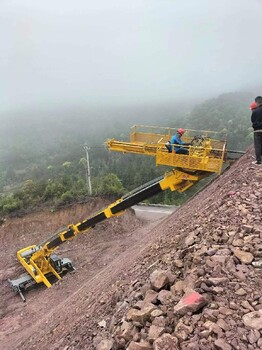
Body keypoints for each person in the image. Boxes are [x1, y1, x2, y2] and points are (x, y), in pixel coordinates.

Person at [251, 96, 262, 165]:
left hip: (257, 130)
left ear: (257, 102)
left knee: (258, 145)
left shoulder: (255, 111)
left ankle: (259, 161)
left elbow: (253, 120)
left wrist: (255, 126)